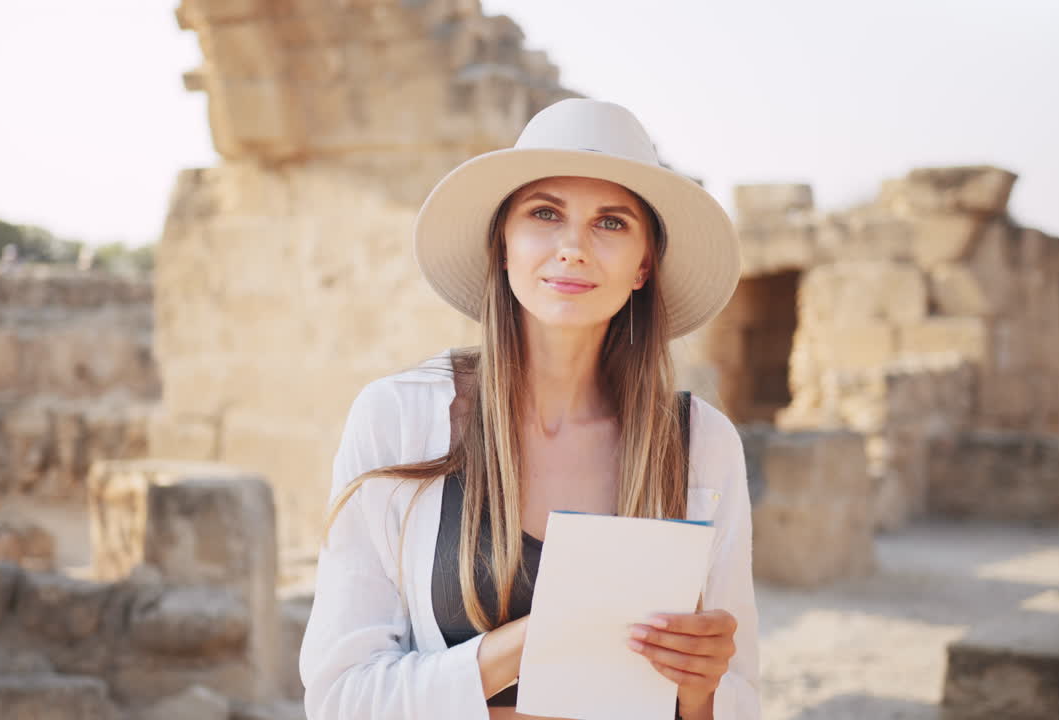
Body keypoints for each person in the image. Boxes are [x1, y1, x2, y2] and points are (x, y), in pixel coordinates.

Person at [299, 98, 759, 720]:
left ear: (644, 265)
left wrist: (701, 692)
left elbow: (734, 704)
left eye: (612, 223)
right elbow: (342, 699)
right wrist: (532, 641)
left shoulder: (701, 443)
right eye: (545, 213)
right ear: (503, 245)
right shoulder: (398, 420)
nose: (573, 247)